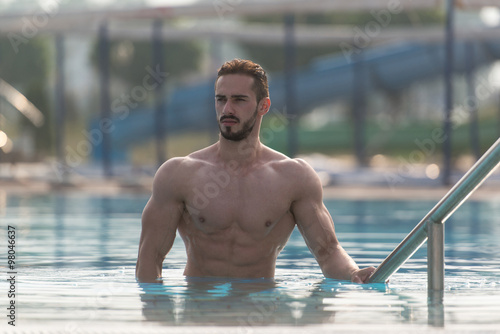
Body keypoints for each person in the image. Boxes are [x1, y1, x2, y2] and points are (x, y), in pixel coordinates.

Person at [136, 58, 375, 283]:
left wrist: (354, 274)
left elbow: (329, 253)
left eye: (239, 100)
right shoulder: (178, 174)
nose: (227, 109)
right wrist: (158, 313)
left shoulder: (294, 177)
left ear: (264, 106)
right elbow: (149, 259)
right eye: (221, 99)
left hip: (262, 305)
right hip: (200, 307)